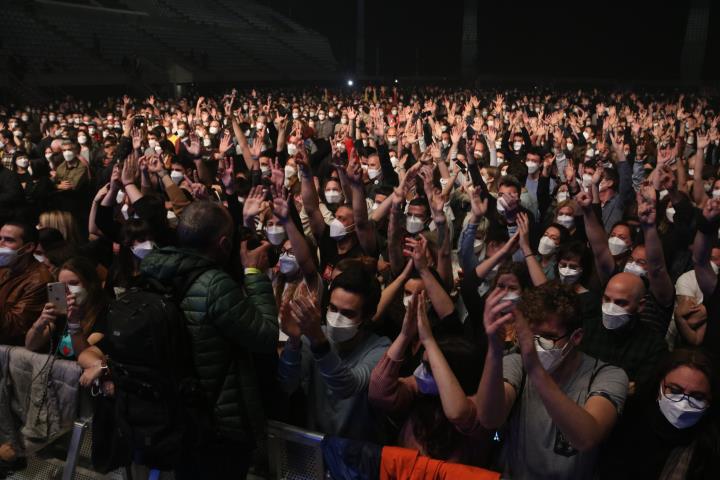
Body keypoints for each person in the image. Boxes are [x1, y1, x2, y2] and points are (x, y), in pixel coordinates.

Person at [442, 282, 628, 479]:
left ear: (576, 337)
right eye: (533, 336)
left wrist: (535, 368)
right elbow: (490, 419)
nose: (536, 346)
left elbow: (586, 438)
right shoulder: (516, 364)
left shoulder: (606, 375)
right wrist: (495, 352)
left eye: (548, 336)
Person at [278, 267, 391, 442]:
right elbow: (287, 384)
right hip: (315, 442)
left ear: (368, 316)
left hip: (356, 451)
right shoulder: (314, 334)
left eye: (348, 313)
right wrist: (293, 341)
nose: (337, 318)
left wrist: (319, 341)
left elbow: (347, 386)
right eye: (333, 308)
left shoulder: (379, 348)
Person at [600, 348, 720, 479]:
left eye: (697, 396)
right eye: (674, 390)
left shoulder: (710, 446)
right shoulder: (628, 419)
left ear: (710, 400)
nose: (683, 403)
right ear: (659, 386)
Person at [0, 221, 53, 344]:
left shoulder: (39, 280)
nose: (1, 244)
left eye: (9, 240)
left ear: (28, 247)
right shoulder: (4, 267)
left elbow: (14, 327)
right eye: (0, 238)